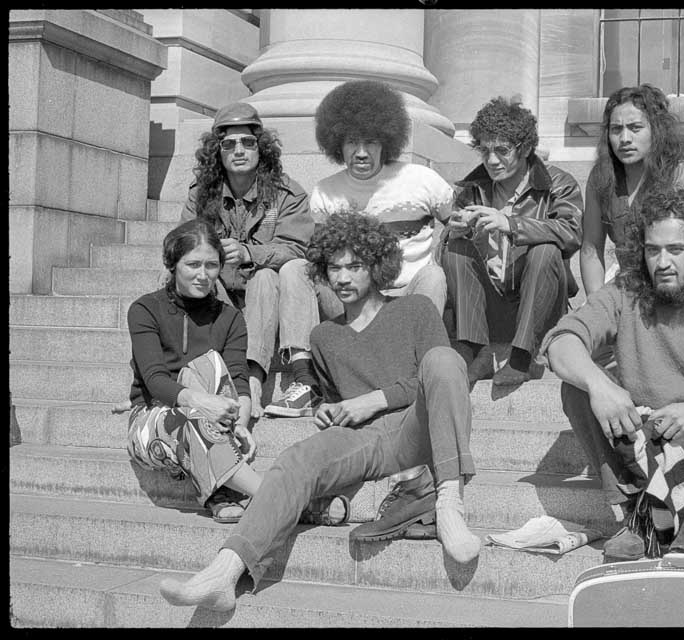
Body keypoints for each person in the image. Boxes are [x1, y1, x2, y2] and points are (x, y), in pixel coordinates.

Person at [159, 211, 480, 613]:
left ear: (377, 266)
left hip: (417, 429)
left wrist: (373, 399)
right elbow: (336, 397)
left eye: (355, 266)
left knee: (446, 360)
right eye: (335, 268)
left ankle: (450, 502)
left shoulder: (415, 309)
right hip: (364, 441)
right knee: (295, 459)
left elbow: (440, 378)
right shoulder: (323, 336)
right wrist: (329, 409)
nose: (344, 278)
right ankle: (225, 572)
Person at [539, 186, 684, 563]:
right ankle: (642, 517)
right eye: (653, 250)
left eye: (676, 250)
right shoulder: (625, 291)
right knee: (578, 388)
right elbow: (561, 340)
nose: (663, 262)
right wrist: (600, 385)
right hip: (638, 440)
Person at [263, 79, 454, 418]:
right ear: (337, 144)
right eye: (352, 143)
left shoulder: (423, 180)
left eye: (371, 142)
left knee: (435, 277)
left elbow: (458, 224)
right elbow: (322, 256)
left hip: (406, 295)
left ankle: (419, 373)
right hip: (350, 297)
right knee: (295, 269)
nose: (362, 152)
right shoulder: (325, 192)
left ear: (388, 142)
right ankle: (304, 379)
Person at [181, 101, 329, 420]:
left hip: (267, 298)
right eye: (229, 143)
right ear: (216, 151)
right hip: (222, 296)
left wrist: (251, 253)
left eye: (248, 142)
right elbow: (182, 246)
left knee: (268, 275)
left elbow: (301, 249)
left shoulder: (286, 194)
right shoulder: (200, 195)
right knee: (178, 275)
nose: (239, 150)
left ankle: (251, 380)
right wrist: (211, 254)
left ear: (261, 149)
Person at [120, 218, 262, 523]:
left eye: (211, 265)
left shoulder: (231, 318)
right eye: (192, 264)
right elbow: (155, 380)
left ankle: (221, 490)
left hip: (213, 420)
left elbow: (237, 379)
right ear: (172, 265)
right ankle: (278, 497)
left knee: (210, 366)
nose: (202, 275)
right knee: (191, 420)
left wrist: (241, 423)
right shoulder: (145, 309)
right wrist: (202, 403)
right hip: (152, 421)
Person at [439, 96, 583, 386]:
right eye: (485, 150)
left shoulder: (558, 183)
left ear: (526, 148)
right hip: (489, 305)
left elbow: (570, 232)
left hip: (538, 300)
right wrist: (452, 232)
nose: (492, 160)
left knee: (544, 249)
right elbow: (447, 252)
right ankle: (476, 352)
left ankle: (523, 356)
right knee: (455, 249)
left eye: (502, 150)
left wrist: (512, 224)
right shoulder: (472, 190)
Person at [580, 84, 684, 297]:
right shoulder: (601, 177)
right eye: (616, 129)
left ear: (657, 130)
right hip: (624, 285)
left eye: (635, 127)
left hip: (674, 289)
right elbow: (591, 247)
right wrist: (596, 306)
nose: (624, 139)